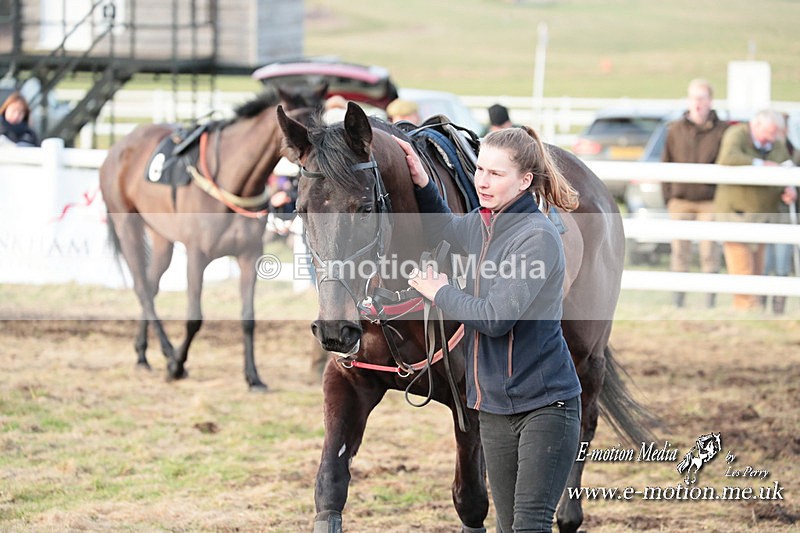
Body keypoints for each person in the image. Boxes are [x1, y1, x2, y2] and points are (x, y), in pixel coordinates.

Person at [394, 127, 582, 532]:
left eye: (495, 174)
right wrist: (424, 184)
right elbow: (445, 229)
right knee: (506, 525)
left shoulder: (537, 238)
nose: (481, 181)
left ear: (525, 181)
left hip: (547, 406)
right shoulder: (485, 225)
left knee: (528, 525)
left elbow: (496, 317)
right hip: (494, 405)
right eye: (479, 169)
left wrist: (440, 290)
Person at [714, 109, 797, 310]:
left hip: (763, 217)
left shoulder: (776, 144)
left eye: (775, 132)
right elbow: (728, 157)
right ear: (756, 125)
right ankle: (745, 309)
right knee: (742, 267)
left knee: (759, 269)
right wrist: (761, 164)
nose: (772, 136)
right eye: (769, 131)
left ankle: (756, 309)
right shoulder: (737, 134)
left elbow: (786, 168)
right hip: (736, 213)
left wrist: (788, 189)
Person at [661, 79, 729, 308]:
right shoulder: (675, 129)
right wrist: (669, 197)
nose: (698, 103)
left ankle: (710, 302)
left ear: (710, 101)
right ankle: (678, 301)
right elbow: (666, 162)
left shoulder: (722, 130)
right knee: (680, 252)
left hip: (709, 202)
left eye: (702, 98)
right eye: (694, 98)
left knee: (709, 252)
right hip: (680, 201)